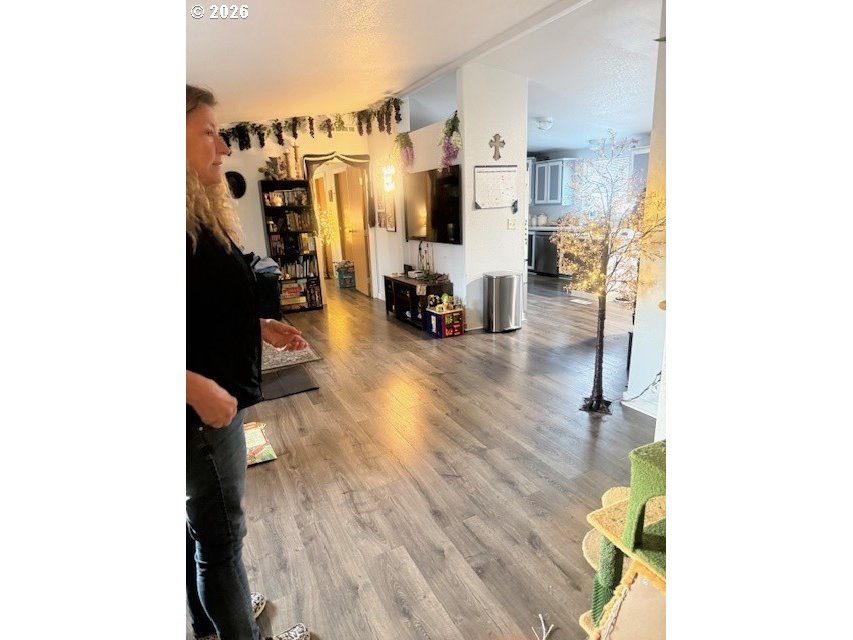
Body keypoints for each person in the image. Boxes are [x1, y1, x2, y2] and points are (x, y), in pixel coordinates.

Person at [186, 84, 311, 640]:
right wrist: (193, 387)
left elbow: (198, 309)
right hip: (201, 416)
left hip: (208, 402)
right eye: (208, 132)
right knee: (222, 543)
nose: (223, 146)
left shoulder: (193, 216)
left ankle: (212, 622)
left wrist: (258, 325)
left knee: (200, 533)